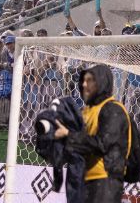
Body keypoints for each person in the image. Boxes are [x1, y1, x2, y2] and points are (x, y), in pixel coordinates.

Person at [53, 65, 131, 203]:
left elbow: (102, 145)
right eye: (84, 80)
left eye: (90, 80)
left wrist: (69, 135)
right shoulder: (85, 112)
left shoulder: (113, 110)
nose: (84, 84)